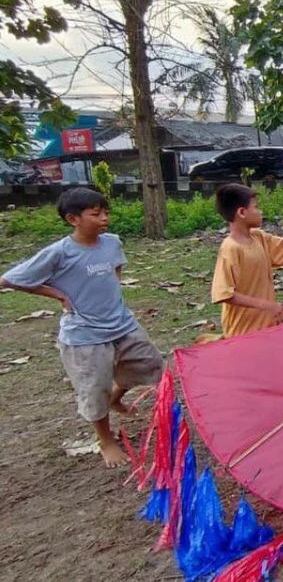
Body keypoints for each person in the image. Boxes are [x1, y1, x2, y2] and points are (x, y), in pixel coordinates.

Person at [1, 188, 163, 467]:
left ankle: (114, 398)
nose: (104, 218)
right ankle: (106, 440)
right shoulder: (59, 253)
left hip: (122, 324)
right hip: (84, 334)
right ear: (73, 219)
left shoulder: (112, 242)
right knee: (93, 388)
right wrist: (58, 295)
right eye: (96, 214)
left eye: (106, 212)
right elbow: (10, 279)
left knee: (150, 366)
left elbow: (115, 271)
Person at [210, 183, 283, 337]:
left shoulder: (258, 237)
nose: (260, 211)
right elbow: (223, 293)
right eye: (256, 207)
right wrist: (268, 306)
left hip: (266, 327)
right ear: (242, 212)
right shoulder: (231, 248)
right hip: (243, 332)